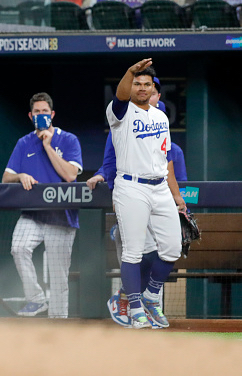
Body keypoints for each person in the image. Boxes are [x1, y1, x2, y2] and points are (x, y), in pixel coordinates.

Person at [87, 75, 188, 328]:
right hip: (131, 185)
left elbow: (166, 160)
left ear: (156, 91)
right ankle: (134, 307)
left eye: (148, 85)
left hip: (159, 185)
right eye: (137, 84)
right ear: (130, 87)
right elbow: (111, 157)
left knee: (173, 247)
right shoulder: (120, 113)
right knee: (134, 252)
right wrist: (130, 71)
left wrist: (177, 196)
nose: (143, 89)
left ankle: (151, 297)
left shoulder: (161, 117)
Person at [3, 92, 82, 319]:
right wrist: (21, 176)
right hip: (33, 213)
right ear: (30, 115)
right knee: (18, 247)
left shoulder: (68, 139)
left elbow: (70, 175)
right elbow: (6, 177)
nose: (41, 115)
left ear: (52, 114)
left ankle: (58, 321)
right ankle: (36, 299)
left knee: (58, 275)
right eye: (36, 112)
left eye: (44, 112)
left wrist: (48, 146)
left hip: (61, 214)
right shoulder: (23, 142)